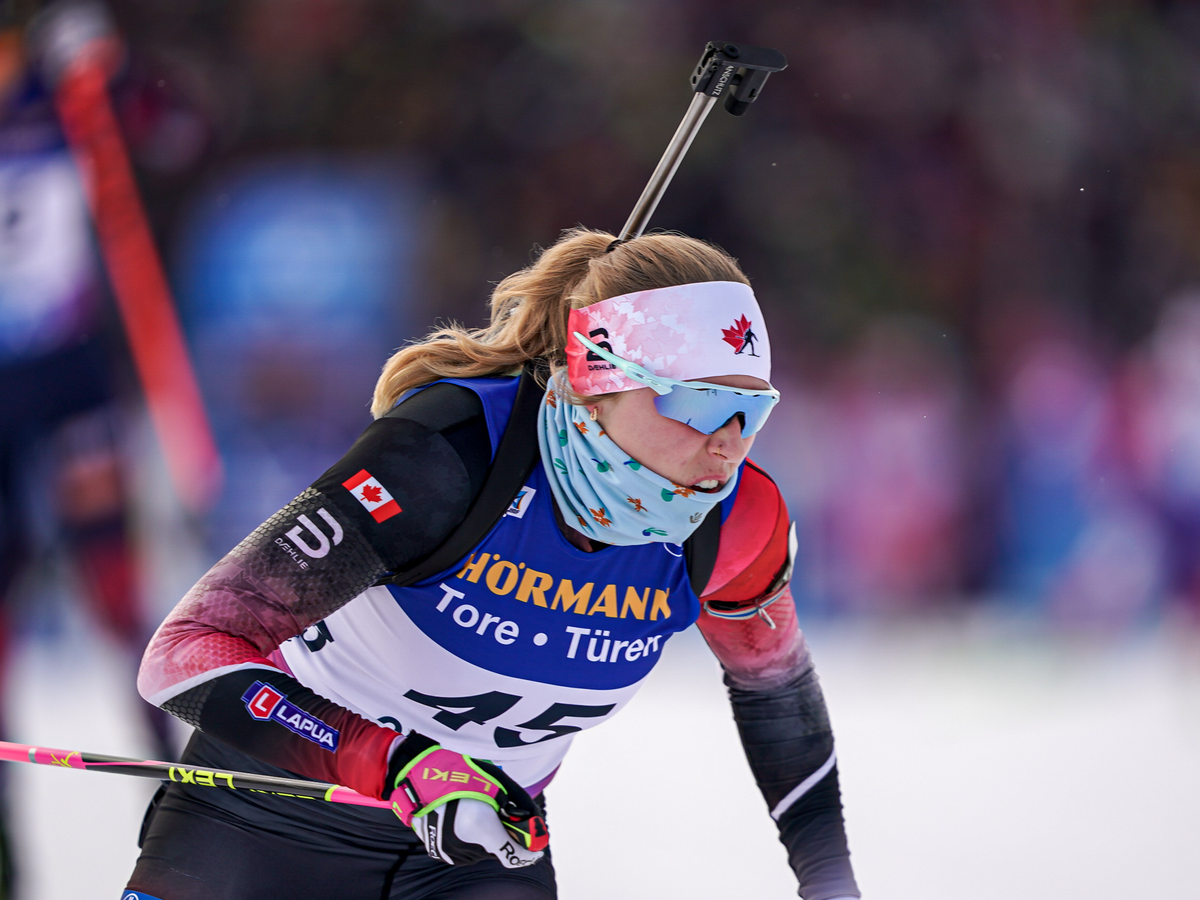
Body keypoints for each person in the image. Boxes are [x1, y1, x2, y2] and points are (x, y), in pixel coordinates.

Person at [125, 228, 860, 900]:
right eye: (698, 406)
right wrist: (398, 763)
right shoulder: (448, 455)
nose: (728, 443)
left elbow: (776, 694)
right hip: (262, 820)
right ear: (596, 381)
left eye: (750, 412)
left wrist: (830, 882)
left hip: (476, 852)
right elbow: (184, 653)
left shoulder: (739, 522)